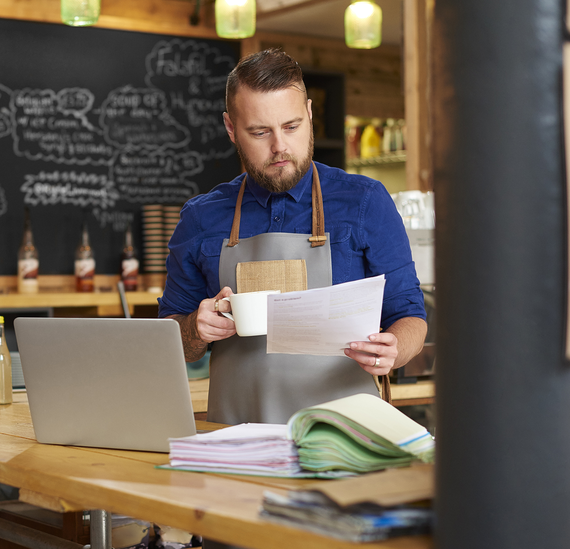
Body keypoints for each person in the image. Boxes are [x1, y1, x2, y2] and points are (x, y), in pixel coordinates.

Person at [158, 49, 427, 425]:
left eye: (291, 126)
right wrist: (195, 329)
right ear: (231, 128)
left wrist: (394, 350)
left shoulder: (365, 201)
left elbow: (411, 315)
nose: (279, 146)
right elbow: (170, 342)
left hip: (345, 438)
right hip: (236, 438)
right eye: (259, 131)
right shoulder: (201, 217)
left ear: (311, 115)